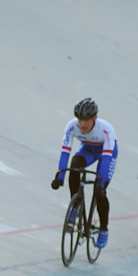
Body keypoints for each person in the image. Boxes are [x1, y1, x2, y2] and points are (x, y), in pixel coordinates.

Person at [50, 98, 118, 248]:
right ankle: (75, 206)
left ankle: (104, 229)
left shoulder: (106, 129)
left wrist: (101, 184)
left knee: (99, 192)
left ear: (95, 118)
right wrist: (60, 177)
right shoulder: (71, 126)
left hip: (107, 154)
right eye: (79, 119)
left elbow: (107, 159)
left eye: (86, 120)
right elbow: (65, 153)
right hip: (87, 150)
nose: (82, 124)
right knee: (74, 167)